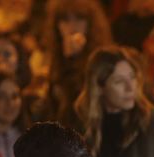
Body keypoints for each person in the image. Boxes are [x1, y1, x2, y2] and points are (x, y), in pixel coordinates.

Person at [44, 0, 111, 129]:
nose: (72, 26)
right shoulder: (58, 57)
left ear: (90, 23)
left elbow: (85, 104)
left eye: (79, 19)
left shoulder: (102, 59)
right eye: (65, 20)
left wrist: (73, 60)